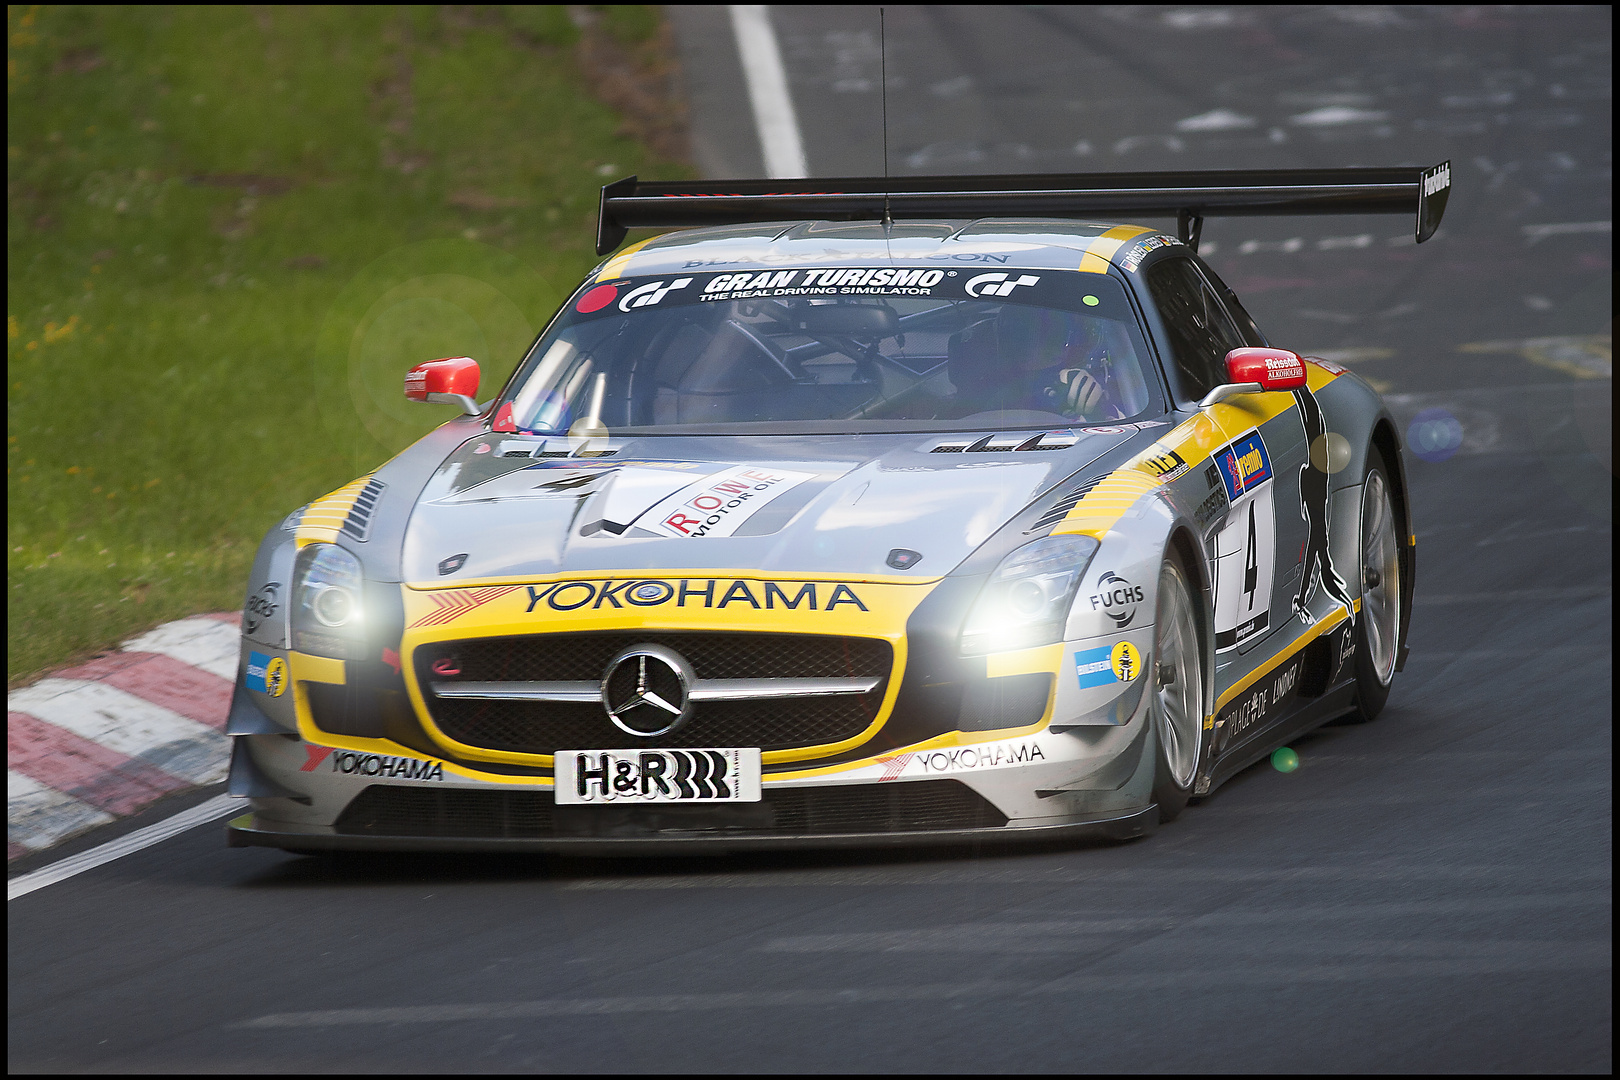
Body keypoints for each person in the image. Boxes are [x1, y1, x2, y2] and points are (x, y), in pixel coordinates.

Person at [948, 304, 1140, 420]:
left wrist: (1103, 411)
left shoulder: (1126, 389)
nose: (1032, 349)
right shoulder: (973, 401)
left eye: (1050, 339)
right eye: (1020, 338)